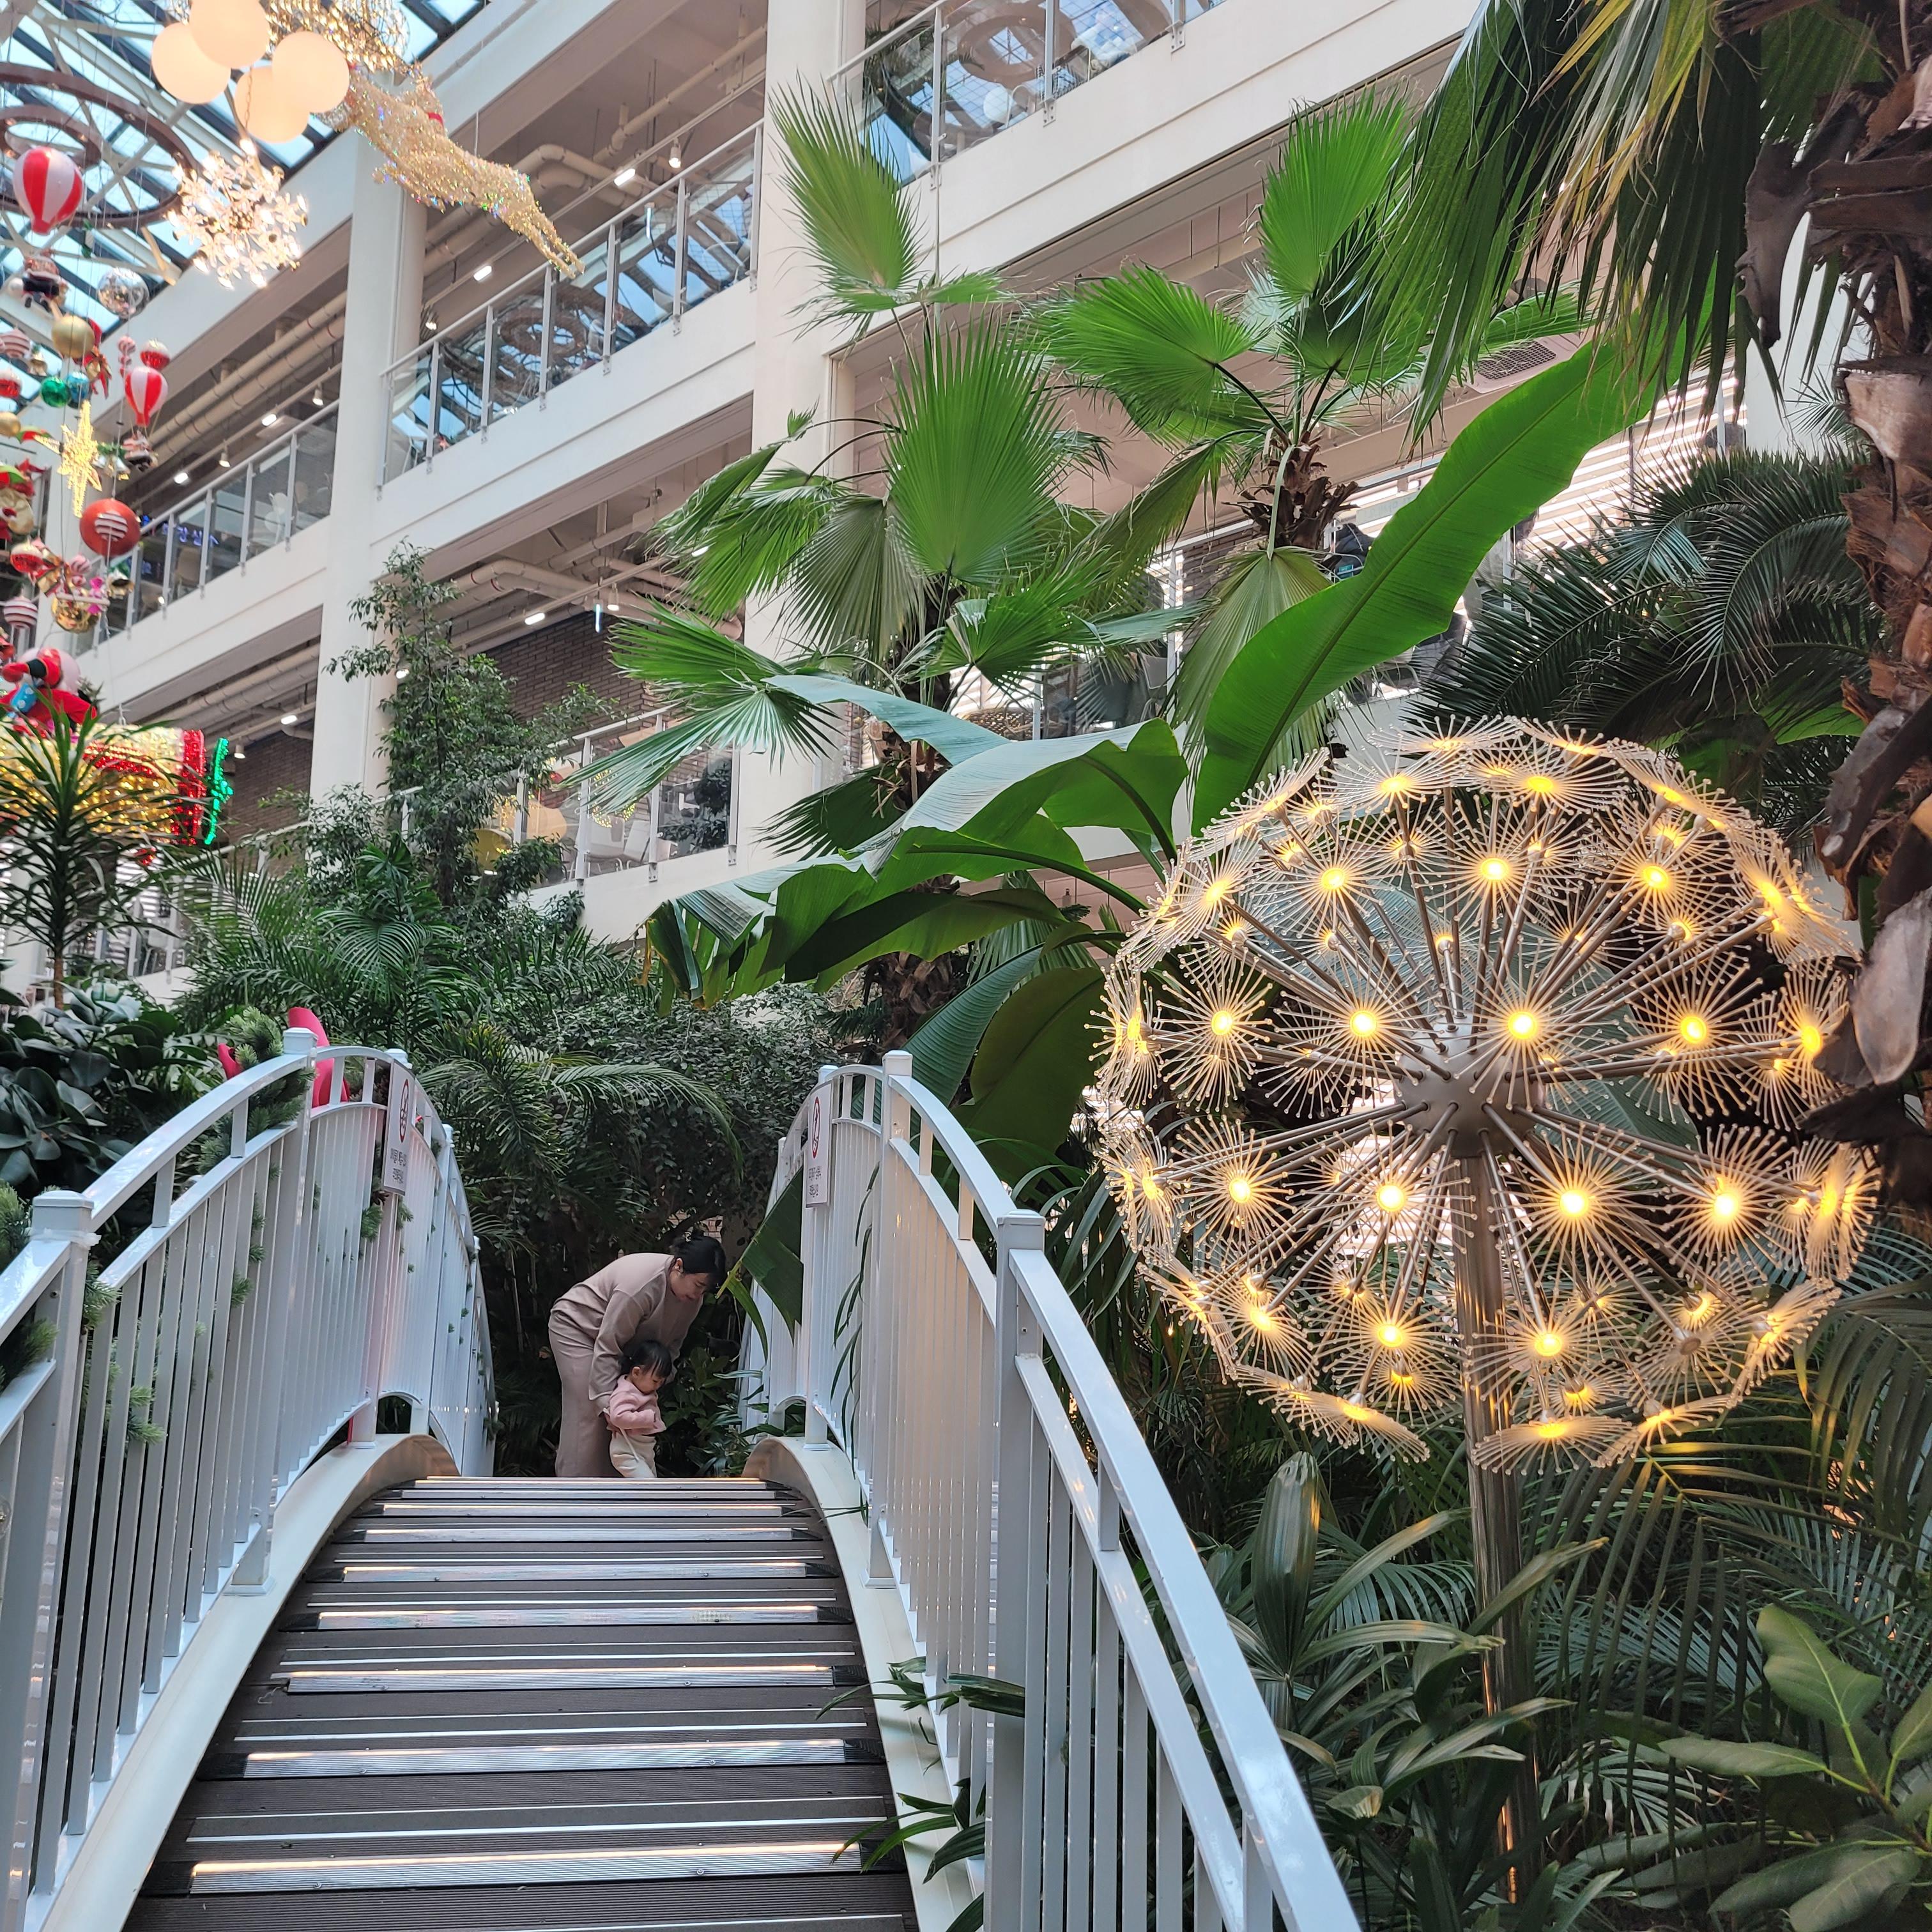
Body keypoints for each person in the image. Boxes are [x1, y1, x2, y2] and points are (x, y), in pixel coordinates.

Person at [546, 1234, 728, 1478]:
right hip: (578, 1329)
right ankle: (575, 1492)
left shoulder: (692, 1299)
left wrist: (658, 1379)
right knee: (593, 1410)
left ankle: (617, 1493)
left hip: (620, 1346)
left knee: (628, 1414)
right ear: (679, 1266)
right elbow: (608, 1345)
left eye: (705, 1289)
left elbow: (672, 1345)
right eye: (698, 1285)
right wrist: (607, 1404)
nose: (699, 1295)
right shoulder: (640, 1286)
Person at [605, 1337, 674, 1478]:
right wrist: (646, 1418)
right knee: (649, 1487)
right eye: (655, 1381)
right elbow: (618, 1417)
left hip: (645, 1449)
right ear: (636, 1372)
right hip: (628, 1451)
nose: (658, 1386)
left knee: (651, 1486)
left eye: (661, 1382)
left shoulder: (642, 1389)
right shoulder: (626, 1392)